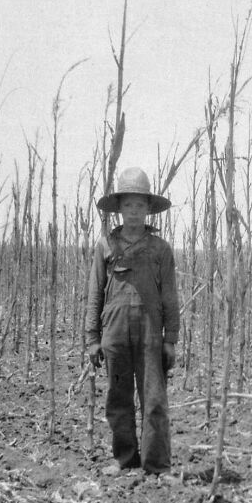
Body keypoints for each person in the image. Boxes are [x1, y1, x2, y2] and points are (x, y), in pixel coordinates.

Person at [85, 168, 179, 475]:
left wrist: (170, 340)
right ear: (119, 209)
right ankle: (125, 461)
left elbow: (170, 298)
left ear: (149, 209)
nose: (134, 212)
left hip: (151, 333)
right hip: (114, 333)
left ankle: (157, 466)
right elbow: (94, 293)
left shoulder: (160, 250)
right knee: (118, 399)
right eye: (128, 205)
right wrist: (92, 338)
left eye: (140, 206)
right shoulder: (105, 246)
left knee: (153, 401)